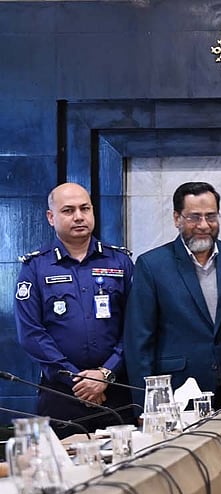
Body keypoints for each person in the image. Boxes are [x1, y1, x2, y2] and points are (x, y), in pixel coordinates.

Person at [14, 183, 135, 432]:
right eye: (68, 210)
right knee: (63, 458)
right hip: (61, 394)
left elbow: (136, 326)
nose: (79, 216)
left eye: (85, 208)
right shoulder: (35, 267)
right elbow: (31, 334)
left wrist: (106, 373)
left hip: (116, 389)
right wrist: (76, 380)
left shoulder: (119, 262)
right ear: (51, 217)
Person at [125, 182, 221, 405]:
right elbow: (139, 340)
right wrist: (144, 405)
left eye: (211, 216)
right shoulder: (152, 265)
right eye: (194, 217)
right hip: (178, 390)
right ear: (177, 218)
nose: (203, 225)